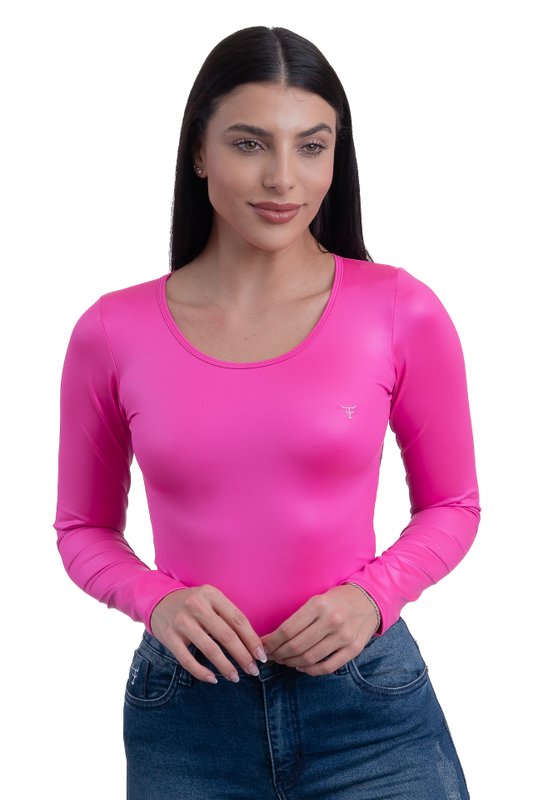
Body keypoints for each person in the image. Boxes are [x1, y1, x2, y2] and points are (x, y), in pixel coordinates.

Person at [52, 25, 481, 800]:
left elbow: (454, 505)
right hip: (188, 718)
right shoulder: (112, 331)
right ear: (199, 152)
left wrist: (373, 597)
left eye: (312, 147)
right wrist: (156, 599)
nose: (284, 178)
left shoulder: (400, 310)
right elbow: (82, 529)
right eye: (249, 144)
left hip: (370, 714)